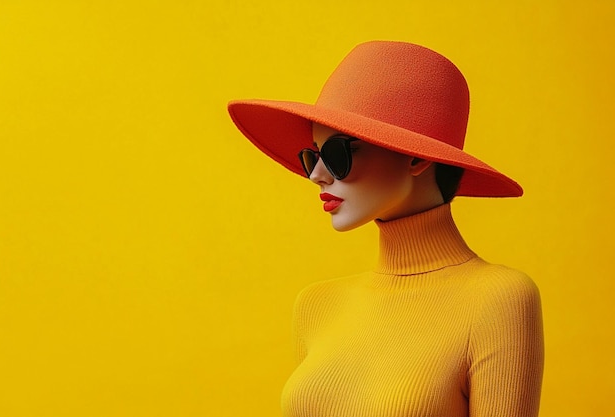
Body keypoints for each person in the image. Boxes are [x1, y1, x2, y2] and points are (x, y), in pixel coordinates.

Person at [228, 41, 543, 417]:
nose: (316, 175)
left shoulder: (498, 300)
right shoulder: (316, 305)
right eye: (312, 155)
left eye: (338, 154)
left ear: (417, 156)